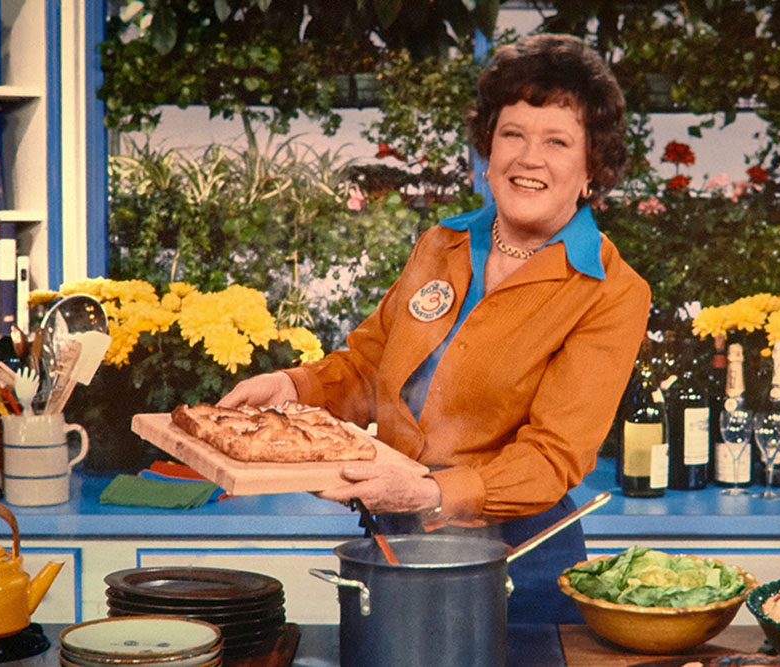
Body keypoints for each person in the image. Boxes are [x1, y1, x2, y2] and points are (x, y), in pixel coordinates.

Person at [219, 33, 651, 623]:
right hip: (391, 542)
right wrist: (295, 388)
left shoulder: (610, 290)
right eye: (512, 134)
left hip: (515, 568)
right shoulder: (442, 244)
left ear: (591, 169)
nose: (529, 158)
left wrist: (431, 495)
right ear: (487, 149)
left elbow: (552, 459)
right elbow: (371, 365)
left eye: (557, 141)